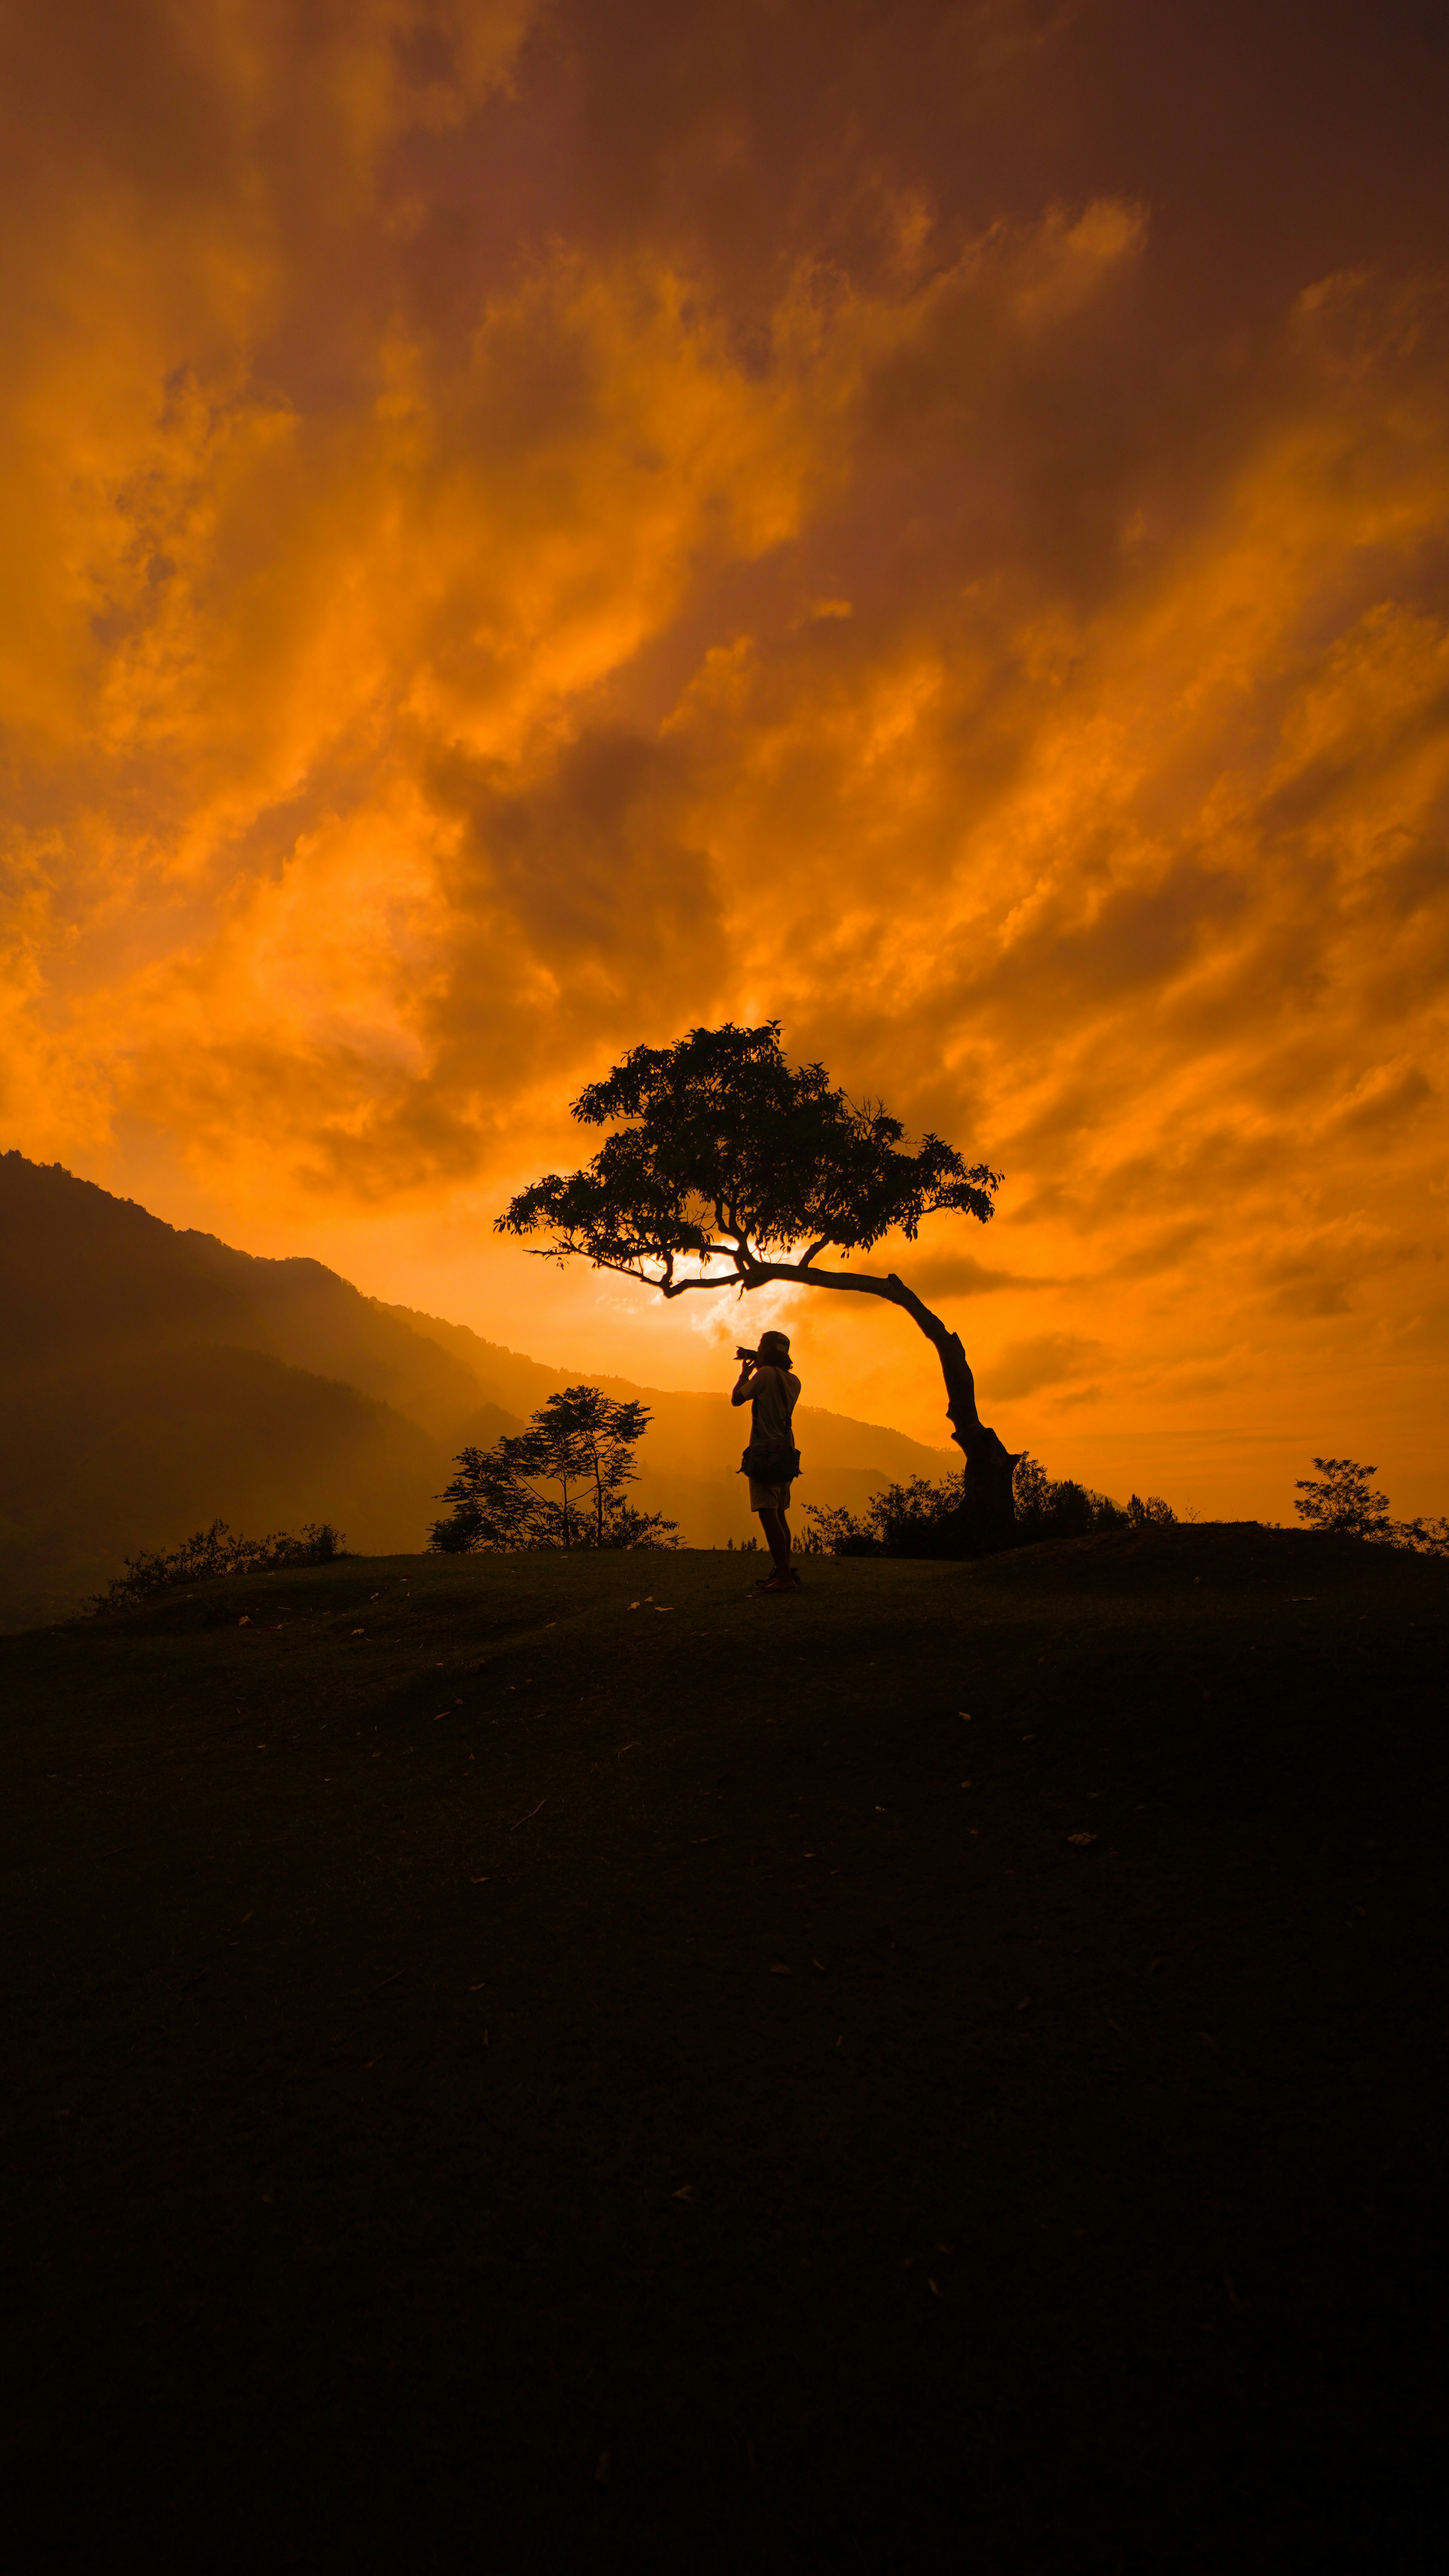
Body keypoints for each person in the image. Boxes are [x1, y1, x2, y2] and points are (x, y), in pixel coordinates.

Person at [731, 1328, 802, 1592]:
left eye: (760, 1347)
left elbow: (737, 1399)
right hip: (785, 1454)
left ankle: (784, 1577)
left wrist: (744, 1376)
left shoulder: (764, 1376)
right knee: (781, 1515)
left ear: (766, 1351)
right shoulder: (793, 1381)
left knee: (768, 1515)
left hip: (764, 1455)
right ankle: (785, 1573)